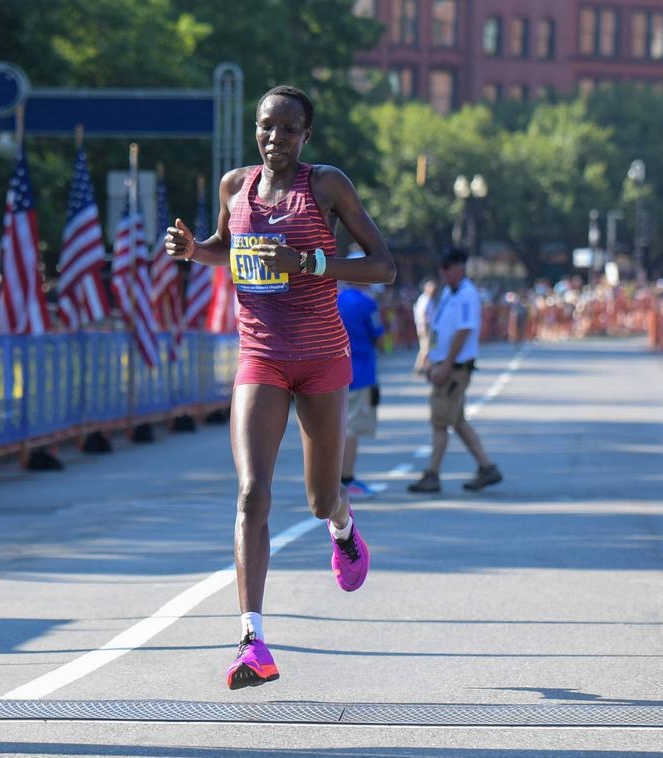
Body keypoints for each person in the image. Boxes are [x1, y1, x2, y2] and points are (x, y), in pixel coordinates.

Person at [163, 84, 396, 690]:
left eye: (289, 130)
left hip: (321, 359)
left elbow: (383, 265)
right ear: (255, 129)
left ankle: (342, 530)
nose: (275, 139)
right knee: (250, 493)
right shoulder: (234, 187)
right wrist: (194, 251)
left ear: (306, 136)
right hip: (261, 357)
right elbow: (226, 248)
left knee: (320, 498)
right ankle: (252, 640)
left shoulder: (327, 186)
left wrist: (313, 264)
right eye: (267, 127)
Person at [407, 247, 501, 495]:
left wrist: (446, 364)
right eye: (441, 267)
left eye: (447, 267)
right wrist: (431, 358)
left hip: (456, 367)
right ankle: (486, 467)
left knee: (440, 421)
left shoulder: (467, 294)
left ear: (460, 267)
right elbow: (440, 329)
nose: (442, 272)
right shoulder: (450, 292)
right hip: (446, 363)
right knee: (456, 421)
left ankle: (433, 474)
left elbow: (464, 330)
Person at [337, 249, 385, 499]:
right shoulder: (368, 303)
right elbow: (380, 337)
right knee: (352, 429)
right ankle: (347, 479)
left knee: (336, 427)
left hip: (334, 372)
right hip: (362, 372)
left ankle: (334, 478)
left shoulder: (334, 299)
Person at [412, 278, 437, 373]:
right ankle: (418, 368)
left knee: (431, 348)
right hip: (426, 328)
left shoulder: (429, 299)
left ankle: (427, 367)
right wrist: (425, 329)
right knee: (425, 349)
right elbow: (422, 315)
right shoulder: (424, 299)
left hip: (431, 328)